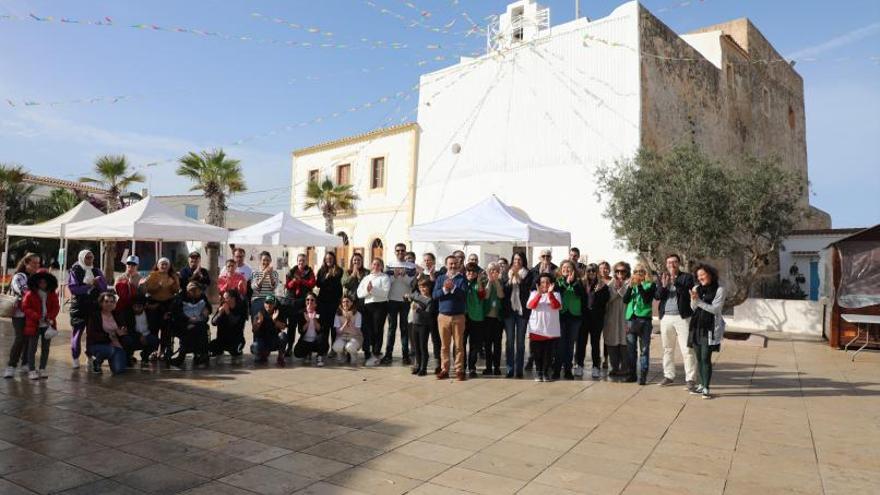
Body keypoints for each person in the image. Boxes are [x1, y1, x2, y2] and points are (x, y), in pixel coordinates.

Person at [655, 254, 697, 391]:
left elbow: (687, 294)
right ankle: (668, 376)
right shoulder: (662, 277)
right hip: (666, 318)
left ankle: (690, 379)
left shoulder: (687, 277)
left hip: (682, 317)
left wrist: (675, 282)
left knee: (687, 349)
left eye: (674, 262)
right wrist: (664, 286)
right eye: (669, 262)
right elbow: (657, 296)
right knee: (667, 349)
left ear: (679, 263)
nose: (671, 265)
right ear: (666, 264)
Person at [689, 264, 725, 399]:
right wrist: (694, 300)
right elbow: (693, 308)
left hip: (710, 327)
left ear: (710, 274)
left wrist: (698, 301)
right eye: (698, 276)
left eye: (703, 275)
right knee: (698, 358)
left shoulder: (719, 290)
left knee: (705, 358)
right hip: (696, 326)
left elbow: (716, 309)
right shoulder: (696, 289)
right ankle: (701, 385)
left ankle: (706, 387)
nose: (700, 278)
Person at [68, 250, 108, 369]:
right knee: (77, 332)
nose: (90, 260)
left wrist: (97, 283)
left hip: (93, 306)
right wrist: (89, 285)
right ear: (82, 258)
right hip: (79, 307)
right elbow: (74, 289)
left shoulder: (96, 271)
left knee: (91, 333)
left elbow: (104, 288)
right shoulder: (75, 270)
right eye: (87, 257)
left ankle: (90, 356)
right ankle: (75, 357)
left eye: (91, 257)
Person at [4, 252, 40, 378]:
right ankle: (11, 366)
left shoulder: (37, 277)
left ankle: (25, 363)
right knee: (20, 338)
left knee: (30, 339)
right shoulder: (19, 276)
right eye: (34, 263)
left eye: (38, 263)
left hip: (33, 314)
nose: (37, 265)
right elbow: (25, 292)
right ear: (26, 263)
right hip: (20, 313)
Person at [433, 255, 468, 381]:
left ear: (458, 265)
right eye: (450, 264)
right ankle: (445, 369)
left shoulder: (462, 279)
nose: (453, 266)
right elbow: (435, 295)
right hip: (443, 316)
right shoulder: (440, 278)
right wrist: (444, 289)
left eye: (455, 263)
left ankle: (459, 370)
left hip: (458, 317)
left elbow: (464, 295)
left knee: (459, 345)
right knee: (444, 346)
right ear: (446, 265)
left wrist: (453, 288)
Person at [21, 269, 59, 380]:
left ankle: (42, 369)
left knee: (45, 348)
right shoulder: (30, 294)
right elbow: (25, 307)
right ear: (36, 282)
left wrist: (50, 317)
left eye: (45, 282)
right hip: (34, 324)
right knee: (32, 348)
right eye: (40, 282)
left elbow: (56, 307)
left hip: (47, 325)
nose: (42, 284)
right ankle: (31, 370)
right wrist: (36, 316)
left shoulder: (52, 294)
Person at [142, 258, 180, 363]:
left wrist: (172, 284)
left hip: (167, 305)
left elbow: (176, 290)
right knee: (153, 328)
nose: (164, 266)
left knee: (166, 330)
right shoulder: (152, 275)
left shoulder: (173, 276)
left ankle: (162, 351)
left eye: (166, 264)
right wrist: (158, 285)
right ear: (158, 265)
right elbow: (149, 289)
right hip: (154, 305)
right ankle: (153, 351)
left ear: (169, 266)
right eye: (162, 264)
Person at [623, 264, 655, 385]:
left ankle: (643, 375)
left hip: (644, 320)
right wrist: (630, 287)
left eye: (641, 271)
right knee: (631, 349)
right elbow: (625, 300)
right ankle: (632, 374)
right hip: (631, 319)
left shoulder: (651, 285)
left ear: (646, 273)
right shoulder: (632, 285)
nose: (638, 273)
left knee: (644, 349)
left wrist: (640, 285)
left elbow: (646, 299)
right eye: (636, 271)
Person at [527, 273, 562, 382]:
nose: (545, 284)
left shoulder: (556, 294)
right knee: (537, 353)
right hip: (536, 329)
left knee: (548, 354)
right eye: (542, 282)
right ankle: (539, 373)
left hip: (550, 330)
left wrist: (550, 294)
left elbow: (556, 306)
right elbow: (531, 305)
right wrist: (539, 295)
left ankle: (546, 373)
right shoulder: (534, 293)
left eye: (547, 282)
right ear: (538, 284)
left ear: (551, 284)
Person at [503, 252, 532, 379]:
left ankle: (519, 369)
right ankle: (510, 369)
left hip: (521, 311)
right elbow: (504, 290)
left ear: (523, 261)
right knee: (509, 341)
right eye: (515, 259)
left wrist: (519, 279)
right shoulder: (507, 272)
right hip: (509, 311)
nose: (517, 262)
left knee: (520, 342)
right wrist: (511, 279)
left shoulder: (528, 274)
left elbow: (527, 291)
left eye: (519, 259)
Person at [578, 263, 610, 379]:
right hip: (583, 318)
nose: (591, 273)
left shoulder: (602, 286)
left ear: (597, 273)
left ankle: (596, 366)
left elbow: (605, 301)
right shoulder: (581, 284)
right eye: (589, 271)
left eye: (593, 271)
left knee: (595, 343)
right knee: (581, 343)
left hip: (596, 319)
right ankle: (579, 365)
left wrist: (598, 291)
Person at [356, 258, 391, 366]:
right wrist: (367, 291)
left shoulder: (384, 277)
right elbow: (359, 293)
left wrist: (372, 290)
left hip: (380, 306)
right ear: (371, 265)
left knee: (377, 330)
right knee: (368, 330)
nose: (376, 266)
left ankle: (376, 352)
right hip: (368, 306)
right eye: (374, 264)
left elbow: (385, 293)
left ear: (381, 266)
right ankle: (368, 352)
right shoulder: (366, 278)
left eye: (378, 264)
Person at [554, 260, 585, 380]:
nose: (566, 269)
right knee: (560, 344)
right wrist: (566, 283)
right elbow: (558, 294)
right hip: (561, 316)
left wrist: (572, 283)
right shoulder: (557, 282)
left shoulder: (578, 282)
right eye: (564, 267)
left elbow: (580, 295)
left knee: (570, 344)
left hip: (574, 316)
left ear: (573, 270)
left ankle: (568, 370)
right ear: (561, 269)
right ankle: (557, 369)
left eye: (569, 267)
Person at [170, 282, 212, 368]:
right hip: (182, 323)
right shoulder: (180, 298)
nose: (199, 294)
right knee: (198, 329)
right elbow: (176, 313)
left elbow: (209, 308)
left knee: (201, 327)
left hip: (198, 322)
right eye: (197, 292)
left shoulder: (201, 296)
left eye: (199, 291)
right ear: (190, 291)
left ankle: (198, 354)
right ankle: (198, 353)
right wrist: (188, 321)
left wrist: (207, 310)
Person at [86, 292, 127, 375]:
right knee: (110, 350)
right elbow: (91, 334)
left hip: (116, 345)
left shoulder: (117, 314)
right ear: (101, 303)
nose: (109, 304)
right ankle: (97, 362)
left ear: (115, 304)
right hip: (97, 344)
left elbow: (123, 329)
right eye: (106, 301)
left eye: (112, 302)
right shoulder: (95, 316)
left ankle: (113, 359)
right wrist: (108, 336)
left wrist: (122, 331)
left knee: (119, 370)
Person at [284, 253, 316, 356]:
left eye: (303, 260)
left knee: (303, 325)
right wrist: (294, 281)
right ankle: (289, 347)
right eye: (299, 260)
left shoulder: (309, 272)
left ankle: (306, 348)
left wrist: (301, 281)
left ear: (306, 262)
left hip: (304, 303)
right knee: (291, 326)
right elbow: (287, 286)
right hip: (293, 303)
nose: (301, 262)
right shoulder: (291, 272)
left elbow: (312, 284)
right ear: (297, 261)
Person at [416, 252, 442, 373]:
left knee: (436, 339)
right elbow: (414, 288)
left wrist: (432, 277)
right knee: (422, 340)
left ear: (434, 261)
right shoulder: (421, 275)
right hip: (421, 312)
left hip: (434, 311)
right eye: (425, 260)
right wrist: (419, 276)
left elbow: (438, 290)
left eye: (429, 260)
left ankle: (438, 363)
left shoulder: (439, 274)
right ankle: (420, 363)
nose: (427, 262)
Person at [384, 261, 414, 365]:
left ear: (404, 253)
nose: (400, 253)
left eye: (402, 252)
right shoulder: (390, 264)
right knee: (391, 329)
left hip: (405, 301)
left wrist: (405, 276)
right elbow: (386, 283)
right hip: (392, 301)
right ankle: (388, 355)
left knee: (404, 329)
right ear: (396, 252)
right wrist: (394, 276)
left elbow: (412, 284)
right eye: (398, 252)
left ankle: (405, 356)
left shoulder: (411, 266)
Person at [604, 261, 630, 378]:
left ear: (627, 271)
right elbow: (608, 299)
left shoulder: (630, 283)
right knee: (612, 342)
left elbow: (627, 297)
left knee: (625, 342)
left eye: (623, 271)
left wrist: (620, 290)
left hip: (625, 317)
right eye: (617, 271)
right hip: (612, 318)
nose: (620, 273)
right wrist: (617, 290)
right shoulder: (610, 284)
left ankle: (625, 368)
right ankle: (614, 367)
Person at [316, 252, 343, 359]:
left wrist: (332, 277)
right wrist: (326, 277)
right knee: (324, 327)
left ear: (334, 259)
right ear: (324, 259)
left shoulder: (339, 270)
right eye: (327, 258)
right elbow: (318, 284)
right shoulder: (321, 270)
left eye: (331, 258)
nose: (329, 260)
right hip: (323, 303)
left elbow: (337, 284)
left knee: (334, 327)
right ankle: (324, 349)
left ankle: (334, 349)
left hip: (334, 302)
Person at [120, 295, 159, 366]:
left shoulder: (150, 313)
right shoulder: (128, 314)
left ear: (144, 307)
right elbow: (128, 329)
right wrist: (139, 336)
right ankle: (128, 357)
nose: (136, 309)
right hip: (133, 336)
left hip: (147, 335)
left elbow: (154, 326)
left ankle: (145, 355)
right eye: (134, 307)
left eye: (139, 307)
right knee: (126, 340)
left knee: (155, 340)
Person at [251, 294, 288, 366]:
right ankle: (263, 355)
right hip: (262, 341)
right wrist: (259, 322)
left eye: (271, 303)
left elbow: (283, 327)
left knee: (283, 335)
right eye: (267, 303)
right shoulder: (259, 313)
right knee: (255, 347)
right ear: (264, 304)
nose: (268, 305)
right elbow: (254, 330)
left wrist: (274, 320)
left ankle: (280, 357)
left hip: (273, 341)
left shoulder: (278, 313)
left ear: (274, 304)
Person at [209, 289, 248, 357]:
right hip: (222, 339)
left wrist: (228, 312)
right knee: (210, 347)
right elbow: (213, 323)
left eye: (226, 298)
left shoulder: (240, 308)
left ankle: (238, 349)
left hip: (236, 339)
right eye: (223, 298)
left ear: (233, 299)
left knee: (235, 352)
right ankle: (220, 350)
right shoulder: (222, 306)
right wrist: (219, 313)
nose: (223, 300)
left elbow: (235, 323)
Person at [482, 262, 505, 376]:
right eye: (491, 270)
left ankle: (496, 367)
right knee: (487, 344)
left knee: (497, 344)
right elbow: (486, 296)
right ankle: (488, 367)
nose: (493, 272)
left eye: (495, 270)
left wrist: (495, 281)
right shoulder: (484, 281)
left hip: (498, 318)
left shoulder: (501, 282)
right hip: (487, 317)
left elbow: (501, 295)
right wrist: (490, 282)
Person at [408, 278, 434, 376]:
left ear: (429, 287)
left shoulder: (430, 300)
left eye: (425, 287)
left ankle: (424, 368)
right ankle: (418, 366)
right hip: (415, 324)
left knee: (423, 347)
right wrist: (406, 297)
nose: (422, 289)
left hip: (424, 326)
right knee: (416, 347)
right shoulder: (417, 295)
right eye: (420, 287)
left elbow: (428, 314)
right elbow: (409, 295)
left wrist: (417, 309)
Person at [294, 294, 328, 366]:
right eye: (308, 300)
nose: (310, 302)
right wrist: (308, 321)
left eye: (312, 300)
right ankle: (307, 353)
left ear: (316, 303)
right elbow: (300, 331)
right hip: (305, 340)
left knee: (322, 338)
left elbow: (320, 330)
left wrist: (314, 320)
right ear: (305, 301)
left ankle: (319, 356)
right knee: (297, 352)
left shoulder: (320, 313)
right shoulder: (301, 313)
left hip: (316, 341)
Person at [332, 295, 362, 364]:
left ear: (351, 303)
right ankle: (341, 356)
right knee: (336, 347)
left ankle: (353, 356)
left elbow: (357, 331)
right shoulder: (338, 314)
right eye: (343, 302)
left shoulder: (358, 314)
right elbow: (338, 332)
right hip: (341, 336)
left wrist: (350, 321)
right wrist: (345, 323)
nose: (345, 303)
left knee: (349, 347)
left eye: (347, 301)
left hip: (355, 337)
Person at [251, 251, 280, 317]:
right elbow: (254, 288)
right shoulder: (255, 273)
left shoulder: (275, 273)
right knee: (258, 320)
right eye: (264, 260)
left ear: (270, 261)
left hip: (270, 300)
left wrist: (270, 275)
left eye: (268, 260)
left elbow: (274, 287)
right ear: (260, 261)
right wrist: (263, 276)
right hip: (258, 299)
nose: (266, 262)